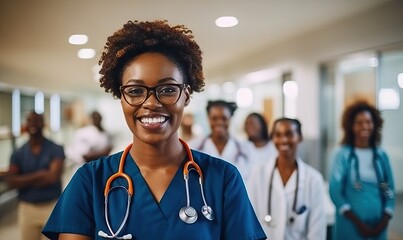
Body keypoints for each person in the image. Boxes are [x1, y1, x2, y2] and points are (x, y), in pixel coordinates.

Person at [42, 20, 266, 240]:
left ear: (186, 96)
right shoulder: (90, 180)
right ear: (122, 98)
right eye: (136, 90)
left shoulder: (223, 178)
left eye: (167, 89)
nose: (151, 103)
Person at [247, 117, 326, 240]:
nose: (283, 140)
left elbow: (317, 231)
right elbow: (249, 221)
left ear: (300, 137)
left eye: (289, 134)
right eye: (278, 135)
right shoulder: (257, 175)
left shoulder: (314, 179)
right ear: (272, 139)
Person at [328, 101, 395, 240]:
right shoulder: (343, 155)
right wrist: (358, 223)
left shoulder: (381, 156)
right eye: (359, 122)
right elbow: (335, 191)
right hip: (350, 226)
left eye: (368, 122)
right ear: (351, 126)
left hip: (378, 226)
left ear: (375, 124)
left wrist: (384, 220)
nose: (365, 126)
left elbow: (388, 188)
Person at [5, 111, 65, 240]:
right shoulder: (18, 153)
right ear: (26, 124)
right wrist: (40, 174)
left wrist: (24, 179)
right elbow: (11, 182)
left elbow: (52, 177)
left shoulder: (56, 148)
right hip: (27, 209)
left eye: (37, 120)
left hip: (51, 207)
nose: (34, 124)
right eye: (30, 121)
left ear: (44, 124)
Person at [189, 100, 250, 181]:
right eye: (214, 118)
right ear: (208, 119)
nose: (219, 122)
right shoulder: (194, 146)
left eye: (224, 118)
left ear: (230, 119)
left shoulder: (245, 147)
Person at [66, 110, 113, 175]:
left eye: (98, 118)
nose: (97, 121)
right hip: (84, 167)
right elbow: (85, 156)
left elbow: (108, 150)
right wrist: (100, 154)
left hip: (101, 167)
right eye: (95, 118)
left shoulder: (106, 134)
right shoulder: (83, 133)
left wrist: (95, 155)